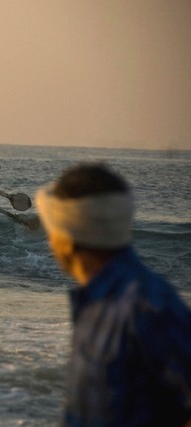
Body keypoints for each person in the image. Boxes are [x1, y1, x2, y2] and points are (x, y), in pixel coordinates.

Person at [36, 162, 191, 427]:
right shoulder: (98, 301)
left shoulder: (146, 306)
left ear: (67, 238)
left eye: (51, 230)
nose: (50, 241)